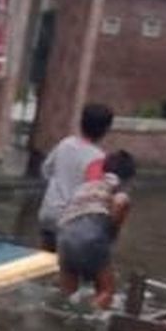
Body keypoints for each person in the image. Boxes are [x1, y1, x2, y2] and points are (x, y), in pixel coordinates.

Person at [56, 150, 136, 311]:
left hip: (64, 237)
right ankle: (89, 318)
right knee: (107, 290)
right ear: (129, 177)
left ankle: (63, 318)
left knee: (68, 294)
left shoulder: (85, 186)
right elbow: (120, 203)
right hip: (91, 238)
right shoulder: (119, 190)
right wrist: (111, 233)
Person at [38, 103, 114, 251]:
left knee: (44, 258)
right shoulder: (98, 158)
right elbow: (94, 196)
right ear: (106, 130)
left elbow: (45, 170)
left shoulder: (65, 144)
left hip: (48, 213)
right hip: (70, 221)